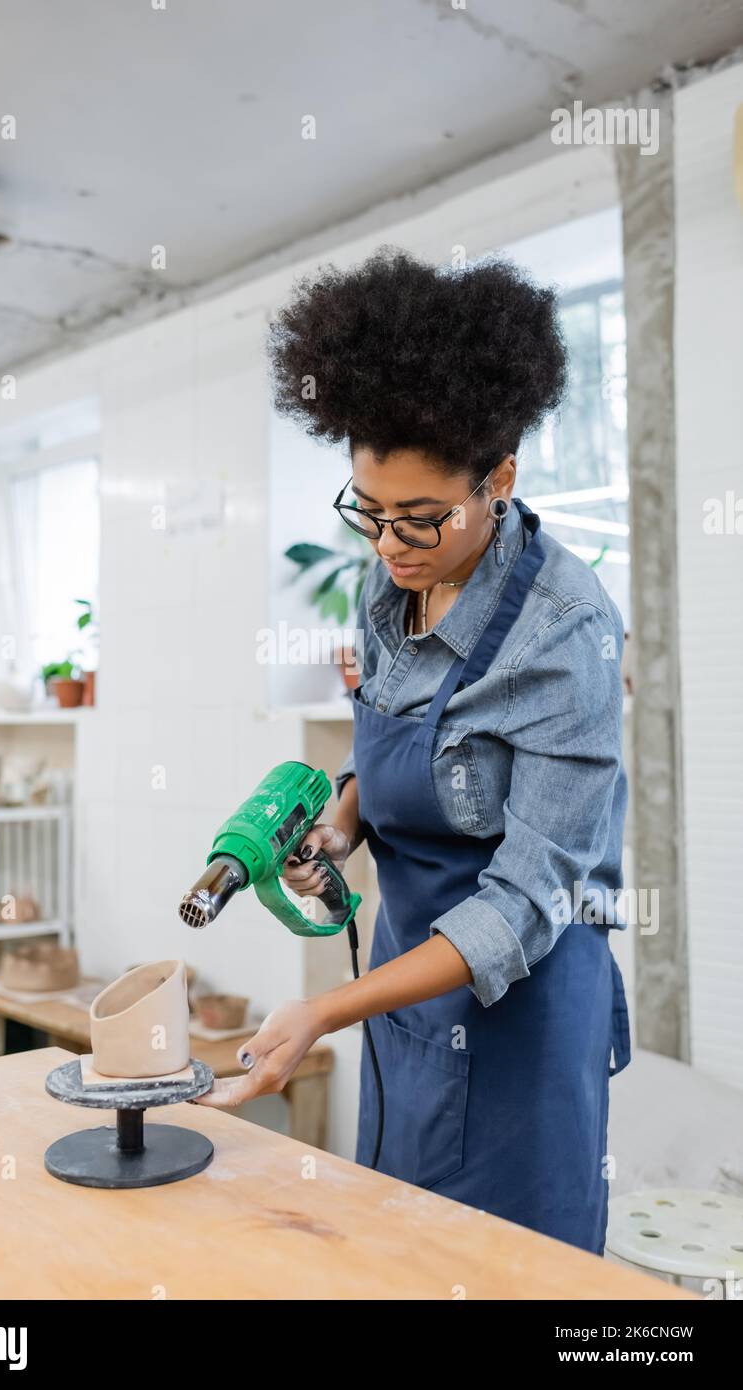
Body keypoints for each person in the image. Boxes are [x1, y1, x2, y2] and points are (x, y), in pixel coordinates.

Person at [195, 247, 631, 1255]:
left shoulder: (566, 635)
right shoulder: (388, 582)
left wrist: (326, 1008)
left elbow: (524, 902)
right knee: (395, 1250)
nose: (389, 544)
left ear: (500, 477)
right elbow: (396, 750)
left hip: (521, 1010)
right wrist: (341, 826)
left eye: (422, 518)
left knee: (507, 1265)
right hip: (407, 988)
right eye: (370, 511)